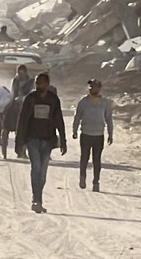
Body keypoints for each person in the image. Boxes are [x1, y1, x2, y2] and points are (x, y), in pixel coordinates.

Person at [15, 72, 66, 213]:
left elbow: (58, 120)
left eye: (42, 83)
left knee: (42, 173)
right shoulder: (30, 99)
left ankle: (39, 198)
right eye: (37, 83)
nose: (39, 85)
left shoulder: (53, 100)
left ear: (48, 84)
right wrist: (19, 142)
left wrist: (63, 140)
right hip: (32, 139)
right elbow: (23, 120)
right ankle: (35, 199)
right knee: (36, 168)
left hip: (47, 140)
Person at [73, 78, 115, 193]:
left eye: (95, 87)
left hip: (98, 134)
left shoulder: (105, 103)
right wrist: (75, 130)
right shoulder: (83, 102)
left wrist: (110, 134)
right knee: (84, 158)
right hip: (86, 134)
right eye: (91, 87)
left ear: (99, 88)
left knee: (97, 160)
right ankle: (82, 177)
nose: (92, 89)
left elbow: (109, 119)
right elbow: (77, 116)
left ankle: (96, 182)